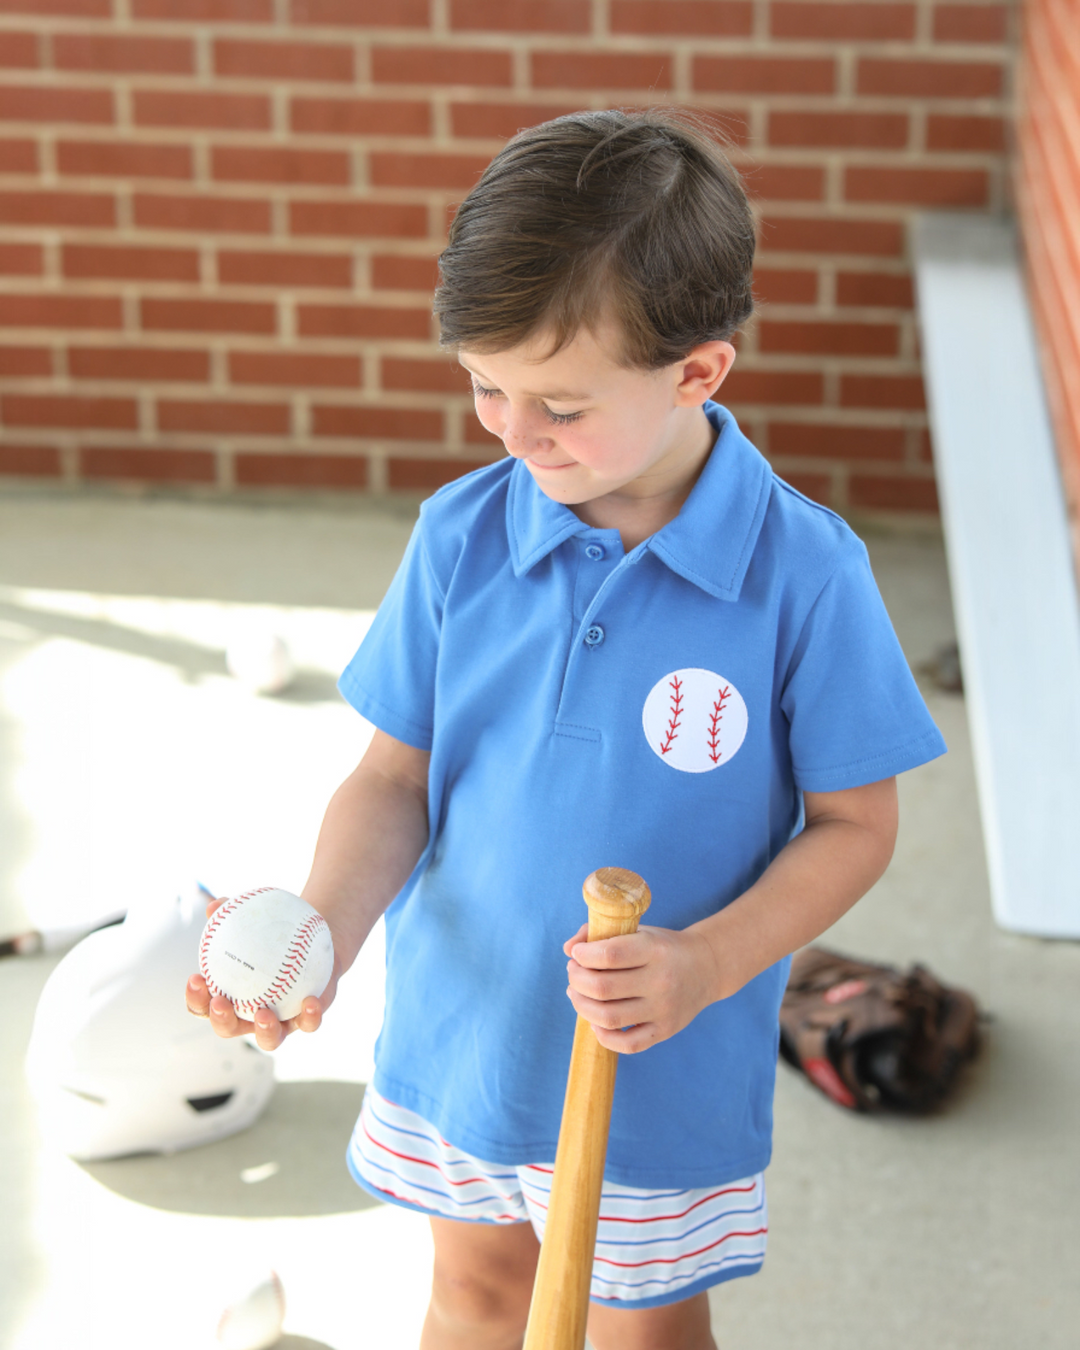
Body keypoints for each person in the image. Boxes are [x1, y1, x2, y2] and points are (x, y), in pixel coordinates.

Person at [187, 109, 946, 1350]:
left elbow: (859, 826)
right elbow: (393, 781)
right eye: (485, 386)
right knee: (476, 1297)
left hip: (655, 1076)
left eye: (558, 402)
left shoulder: (805, 574)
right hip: (464, 1038)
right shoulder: (461, 536)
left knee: (642, 1332)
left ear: (698, 373)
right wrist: (327, 921)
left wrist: (705, 964)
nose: (511, 431)